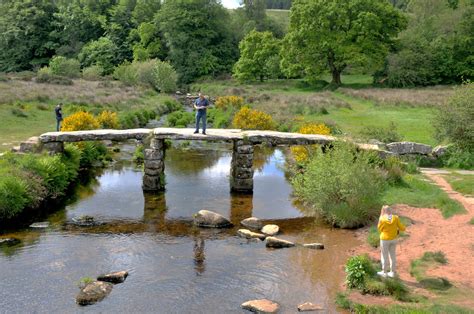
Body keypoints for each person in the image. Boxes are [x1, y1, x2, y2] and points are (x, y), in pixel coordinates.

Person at [377, 205, 406, 278]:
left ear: (383, 211)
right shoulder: (396, 218)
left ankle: (384, 272)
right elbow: (402, 228)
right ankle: (392, 272)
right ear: (390, 210)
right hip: (393, 239)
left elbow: (379, 229)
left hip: (384, 239)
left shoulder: (382, 219)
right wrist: (398, 229)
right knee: (392, 255)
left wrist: (380, 218)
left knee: (384, 255)